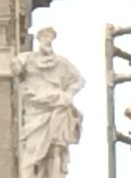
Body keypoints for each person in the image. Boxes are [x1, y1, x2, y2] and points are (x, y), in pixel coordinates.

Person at [11, 26, 84, 178]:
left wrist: (67, 94)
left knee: (55, 148)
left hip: (56, 107)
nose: (47, 40)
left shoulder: (61, 62)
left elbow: (79, 80)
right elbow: (15, 69)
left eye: (50, 37)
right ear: (39, 39)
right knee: (31, 149)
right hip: (35, 108)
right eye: (44, 36)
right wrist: (18, 65)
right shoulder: (27, 59)